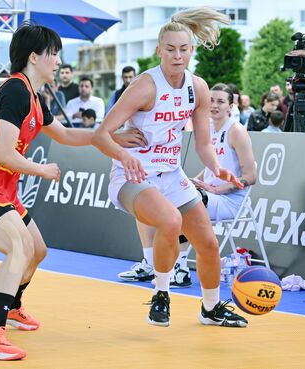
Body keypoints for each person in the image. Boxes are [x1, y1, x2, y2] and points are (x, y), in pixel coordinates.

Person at [92, 7, 248, 328]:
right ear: (159, 50)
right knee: (169, 220)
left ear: (192, 50)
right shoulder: (145, 86)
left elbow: (204, 144)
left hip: (171, 174)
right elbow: (100, 135)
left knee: (207, 243)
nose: (177, 56)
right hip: (132, 176)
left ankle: (210, 307)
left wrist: (218, 169)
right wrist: (120, 138)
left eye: (183, 49)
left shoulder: (198, 87)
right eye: (171, 49)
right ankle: (161, 294)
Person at [0, 23, 95, 360]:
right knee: (20, 245)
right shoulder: (14, 90)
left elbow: (68, 136)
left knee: (38, 250)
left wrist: (110, 134)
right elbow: (3, 154)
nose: (58, 60)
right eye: (53, 53)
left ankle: (11, 306)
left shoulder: (34, 95)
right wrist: (42, 169)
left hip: (0, 188)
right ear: (34, 57)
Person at [118, 84, 257, 288]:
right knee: (149, 197)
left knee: (182, 202)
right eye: (211, 100)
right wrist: (194, 179)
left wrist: (217, 189)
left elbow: (251, 176)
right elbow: (211, 169)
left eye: (220, 101)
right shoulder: (208, 129)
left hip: (229, 200)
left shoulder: (236, 132)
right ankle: (149, 263)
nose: (214, 105)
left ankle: (181, 270)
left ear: (231, 106)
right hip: (209, 194)